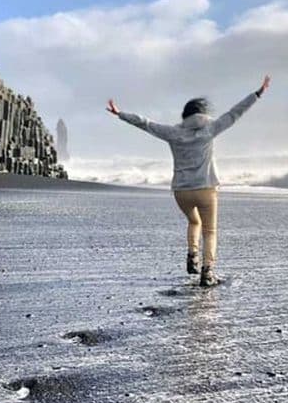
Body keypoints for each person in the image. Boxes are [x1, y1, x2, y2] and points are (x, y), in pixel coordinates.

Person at [106, 75, 270, 287]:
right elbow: (235, 113)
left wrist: (120, 114)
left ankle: (193, 255)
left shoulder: (173, 132)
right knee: (209, 232)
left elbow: (146, 124)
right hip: (206, 189)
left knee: (194, 221)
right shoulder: (210, 129)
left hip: (181, 192)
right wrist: (257, 94)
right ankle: (207, 271)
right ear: (203, 113)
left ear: (186, 114)